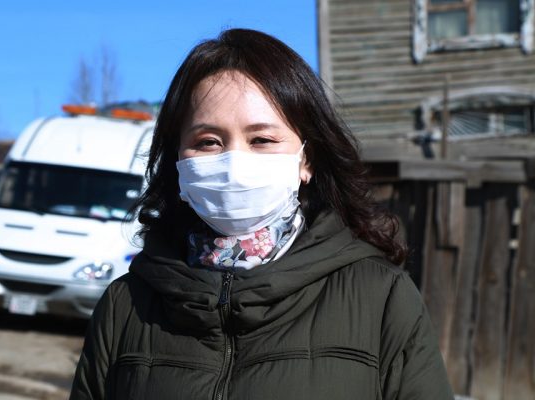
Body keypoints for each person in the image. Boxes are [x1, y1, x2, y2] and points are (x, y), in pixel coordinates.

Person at [70, 28, 454, 400]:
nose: (234, 163)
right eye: (208, 142)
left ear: (306, 160)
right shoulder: (125, 306)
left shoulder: (381, 300)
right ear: (178, 160)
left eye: (262, 140)